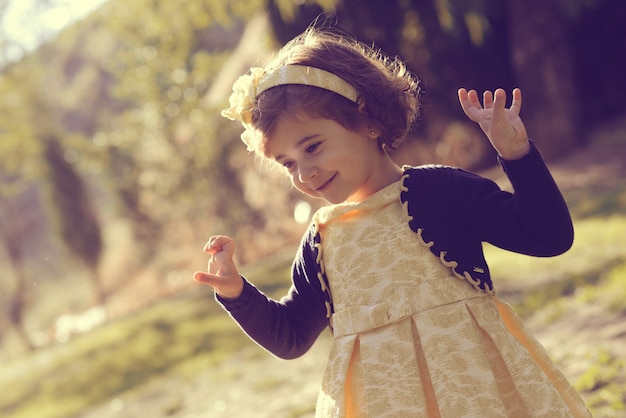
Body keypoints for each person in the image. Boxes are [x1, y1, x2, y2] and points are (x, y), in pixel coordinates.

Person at [193, 26, 591, 417]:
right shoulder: (323, 240)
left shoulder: (440, 191)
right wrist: (236, 292)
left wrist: (517, 156)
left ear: (369, 120)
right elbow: (291, 337)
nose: (304, 173)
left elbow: (549, 236)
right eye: (288, 164)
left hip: (475, 396)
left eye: (313, 146)